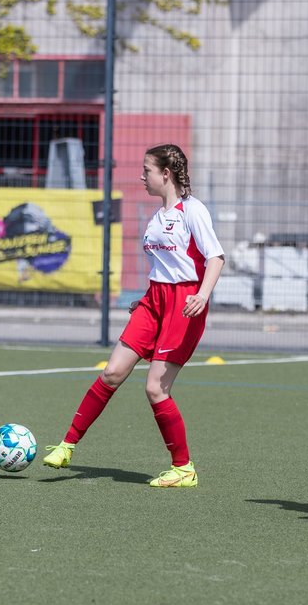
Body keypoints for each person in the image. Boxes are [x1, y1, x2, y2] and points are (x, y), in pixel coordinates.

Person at [41, 144, 225, 487]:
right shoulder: (156, 217)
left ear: (165, 174)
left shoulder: (192, 210)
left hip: (183, 305)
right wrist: (146, 299)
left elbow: (215, 257)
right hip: (153, 302)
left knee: (155, 388)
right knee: (111, 372)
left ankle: (183, 468)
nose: (142, 177)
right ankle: (67, 446)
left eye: (147, 171)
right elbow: (163, 269)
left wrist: (202, 294)